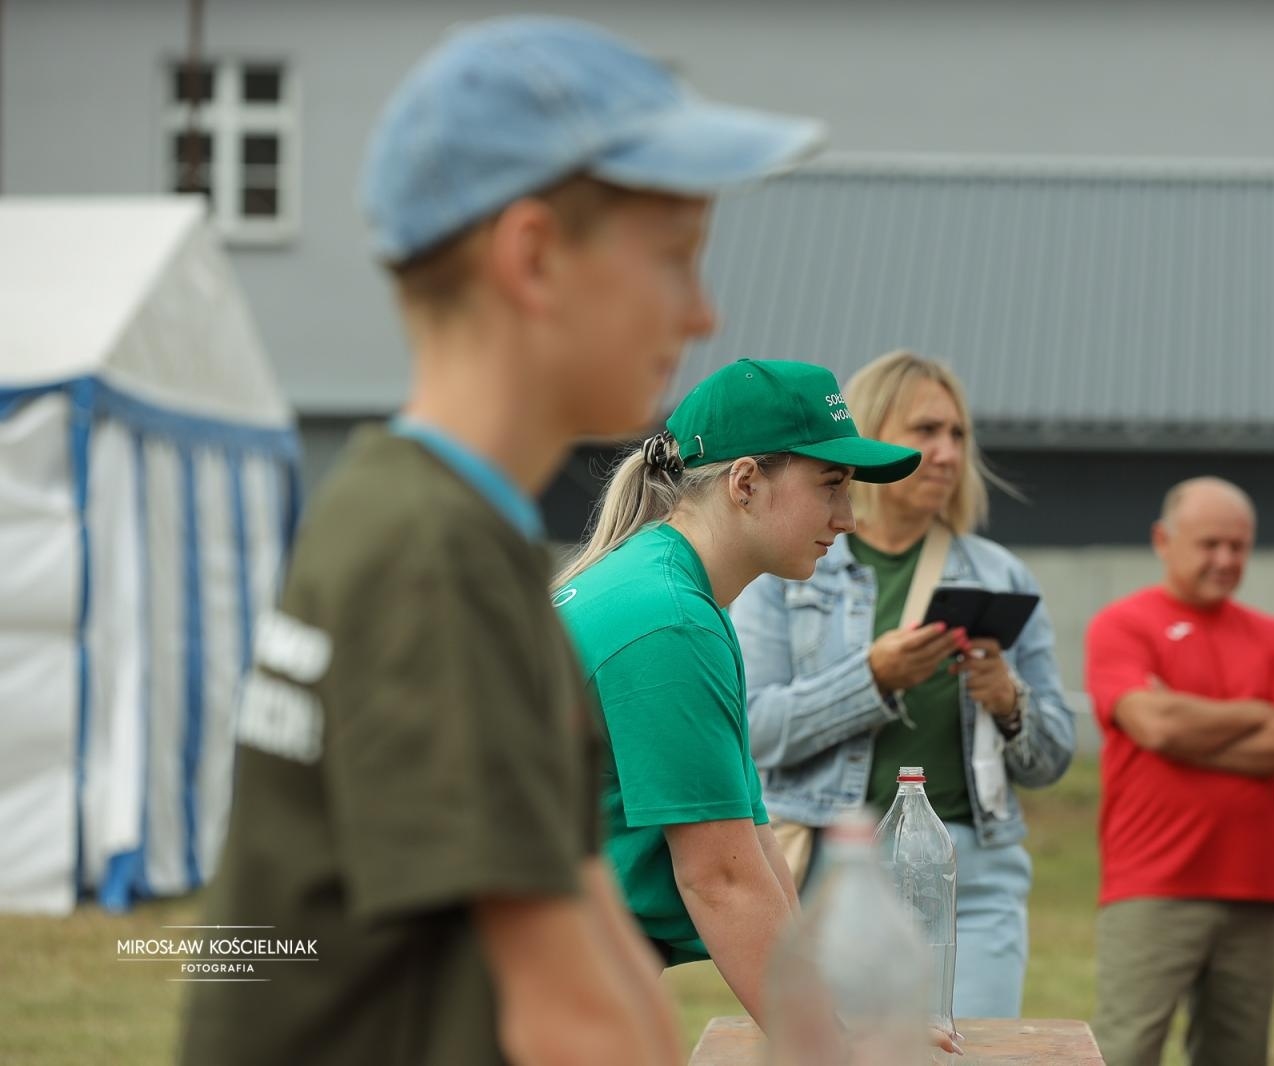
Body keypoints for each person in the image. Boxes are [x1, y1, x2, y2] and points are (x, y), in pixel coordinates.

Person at [180, 18, 824, 1066]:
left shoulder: (436, 523)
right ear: (533, 258)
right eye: (674, 260)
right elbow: (560, 1008)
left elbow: (577, 907)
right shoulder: (428, 555)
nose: (701, 312)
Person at [552, 358, 923, 1028]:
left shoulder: (682, 597)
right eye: (832, 484)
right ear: (746, 481)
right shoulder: (668, 618)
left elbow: (752, 851)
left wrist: (848, 1020)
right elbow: (718, 883)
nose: (848, 516)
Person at [728, 349, 1077, 1019]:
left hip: (974, 878)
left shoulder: (1003, 575)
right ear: (867, 438)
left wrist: (1008, 702)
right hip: (837, 867)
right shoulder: (789, 570)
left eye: (958, 435)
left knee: (968, 1059)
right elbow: (755, 732)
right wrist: (873, 679)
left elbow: (1052, 759)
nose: (947, 453)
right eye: (925, 431)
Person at [1085, 477, 1274, 1066]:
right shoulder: (1122, 625)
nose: (1225, 559)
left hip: (1254, 888)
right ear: (1163, 540)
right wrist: (1255, 711)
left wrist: (1186, 730)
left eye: (1238, 546)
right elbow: (1154, 725)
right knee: (1124, 1052)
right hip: (1152, 885)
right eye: (1209, 544)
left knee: (1239, 1055)